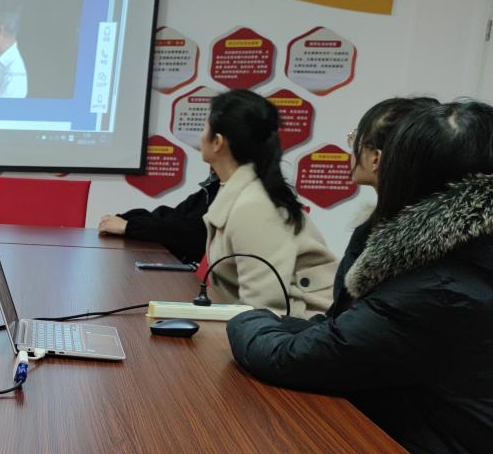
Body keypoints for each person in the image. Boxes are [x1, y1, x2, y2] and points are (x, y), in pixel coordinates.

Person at [227, 100, 493, 454]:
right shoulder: (457, 258)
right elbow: (351, 332)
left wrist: (247, 318)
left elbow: (295, 358)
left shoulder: (438, 289)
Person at [198, 89, 336, 316]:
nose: (200, 136)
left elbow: (265, 307)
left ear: (218, 142)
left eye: (204, 127)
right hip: (272, 325)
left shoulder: (252, 206)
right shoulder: (241, 192)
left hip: (300, 327)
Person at [325, 96, 439, 315]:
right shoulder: (411, 226)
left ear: (376, 158)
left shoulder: (407, 242)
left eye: (356, 138)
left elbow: (351, 327)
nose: (351, 148)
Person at [96, 174, 220, 264]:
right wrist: (125, 220)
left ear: (218, 146)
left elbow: (189, 235)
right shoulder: (212, 187)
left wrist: (128, 226)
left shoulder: (225, 193)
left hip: (196, 281)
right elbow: (171, 217)